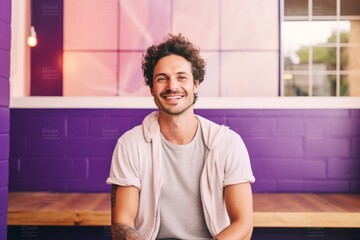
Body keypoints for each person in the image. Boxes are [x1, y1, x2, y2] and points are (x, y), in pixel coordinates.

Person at [106, 34, 255, 240]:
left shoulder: (227, 143)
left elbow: (243, 224)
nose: (172, 86)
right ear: (151, 88)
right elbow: (122, 223)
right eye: (161, 78)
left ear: (196, 84)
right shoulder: (130, 144)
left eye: (181, 77)